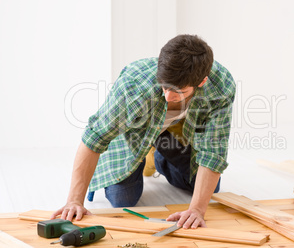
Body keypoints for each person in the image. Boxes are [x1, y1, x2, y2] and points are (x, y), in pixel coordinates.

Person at [51, 34, 236, 229]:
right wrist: (74, 201)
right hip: (133, 135)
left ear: (202, 82)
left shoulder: (221, 87)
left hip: (175, 136)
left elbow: (213, 154)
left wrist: (197, 210)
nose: (168, 96)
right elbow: (94, 137)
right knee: (123, 199)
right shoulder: (134, 86)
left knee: (210, 188)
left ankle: (158, 156)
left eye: (179, 91)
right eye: (165, 86)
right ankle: (145, 148)